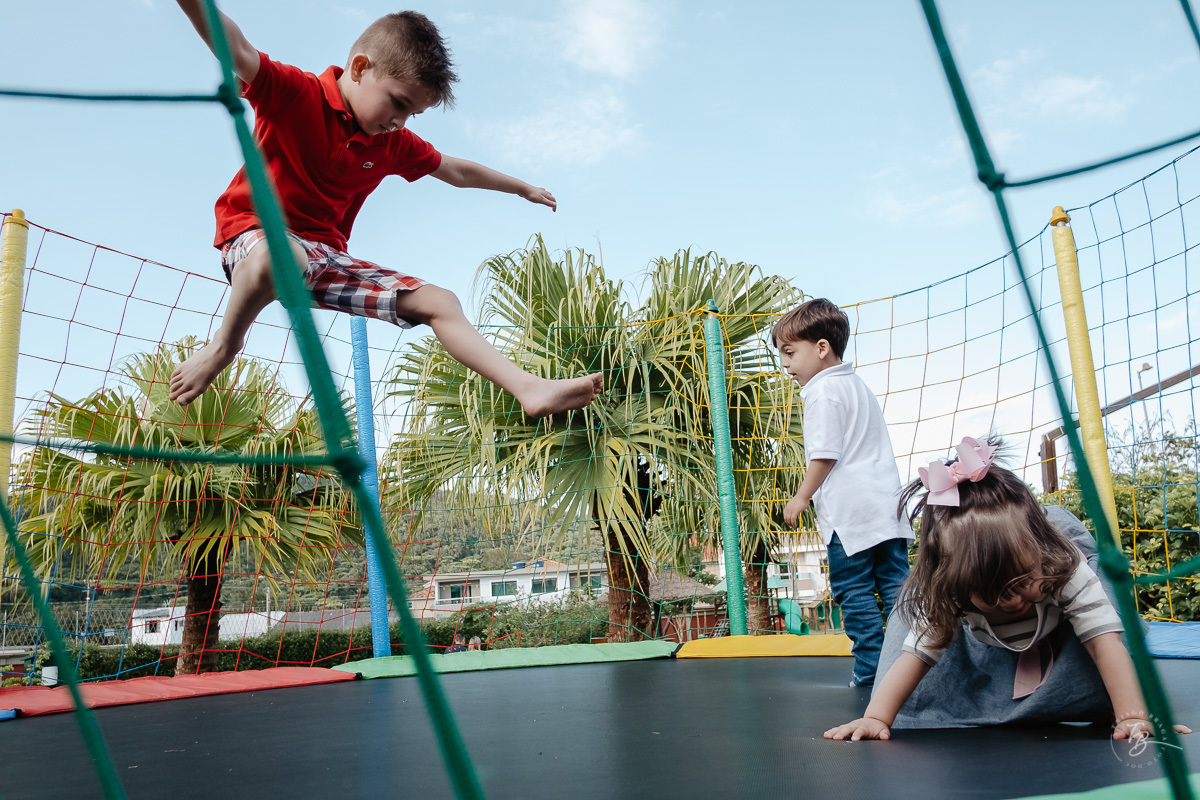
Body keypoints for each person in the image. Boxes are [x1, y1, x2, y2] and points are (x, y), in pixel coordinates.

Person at [168, 3, 603, 415]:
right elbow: (237, 48)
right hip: (253, 236)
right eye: (398, 103)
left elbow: (456, 170)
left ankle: (528, 388)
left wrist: (522, 188)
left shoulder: (390, 144)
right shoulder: (295, 94)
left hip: (324, 256)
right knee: (280, 254)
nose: (400, 121)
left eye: (412, 114)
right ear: (360, 68)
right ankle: (224, 346)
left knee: (440, 301)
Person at [825, 436, 1194, 741]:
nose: (1014, 599)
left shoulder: (1060, 564)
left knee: (1108, 620)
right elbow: (915, 658)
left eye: (1021, 583)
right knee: (915, 609)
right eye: (994, 594)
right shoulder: (950, 590)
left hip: (1061, 625)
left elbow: (1104, 643)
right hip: (982, 637)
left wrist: (1131, 716)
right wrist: (876, 718)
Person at [774, 298, 914, 687]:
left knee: (854, 592)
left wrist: (802, 496)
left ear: (821, 348)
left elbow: (824, 454)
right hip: (889, 507)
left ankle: (871, 673)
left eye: (790, 353)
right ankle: (916, 665)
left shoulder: (821, 392)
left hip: (851, 517)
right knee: (898, 587)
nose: (785, 365)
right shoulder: (857, 385)